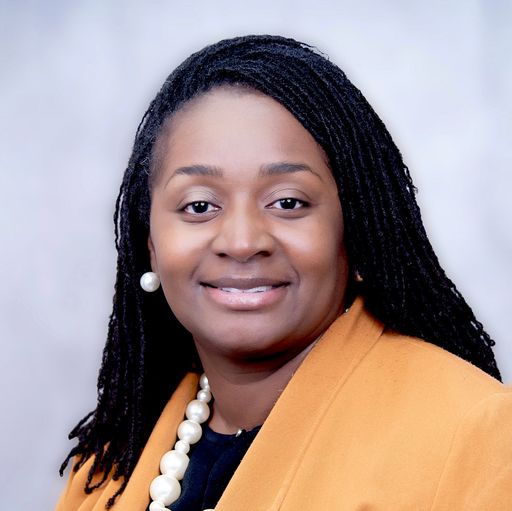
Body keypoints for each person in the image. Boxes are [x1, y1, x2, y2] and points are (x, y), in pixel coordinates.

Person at [55, 35, 512, 511]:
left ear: (357, 231)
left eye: (288, 202)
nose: (242, 242)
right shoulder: (108, 467)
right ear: (150, 245)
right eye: (199, 205)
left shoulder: (480, 438)